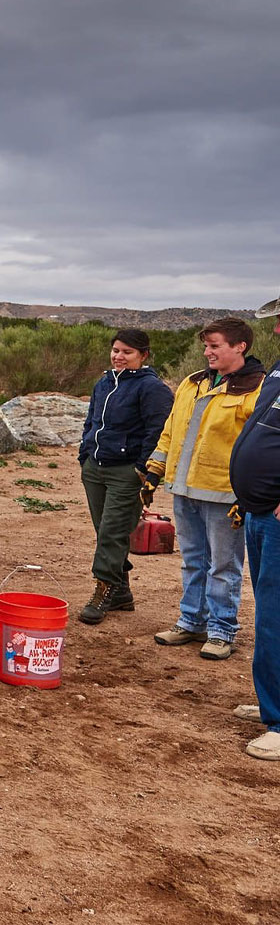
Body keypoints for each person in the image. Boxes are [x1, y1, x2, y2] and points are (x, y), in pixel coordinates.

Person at [147, 317, 265, 661]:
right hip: (184, 490)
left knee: (224, 566)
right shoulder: (192, 382)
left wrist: (246, 494)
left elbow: (258, 446)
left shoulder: (255, 388)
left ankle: (221, 631)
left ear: (239, 346)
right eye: (206, 346)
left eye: (215, 346)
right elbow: (172, 428)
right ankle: (191, 621)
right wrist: (154, 471)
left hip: (225, 495)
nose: (207, 352)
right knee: (193, 561)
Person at [74, 329, 174, 624]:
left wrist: (142, 468)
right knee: (105, 530)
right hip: (95, 468)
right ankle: (121, 592)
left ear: (143, 355)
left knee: (112, 532)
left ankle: (104, 590)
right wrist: (85, 453)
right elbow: (91, 420)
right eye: (115, 350)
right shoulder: (104, 383)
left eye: (127, 352)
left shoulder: (151, 388)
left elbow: (157, 430)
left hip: (126, 471)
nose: (118, 356)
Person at [230, 294, 280, 757]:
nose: (279, 328)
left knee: (277, 617)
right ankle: (272, 703)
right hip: (260, 511)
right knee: (267, 612)